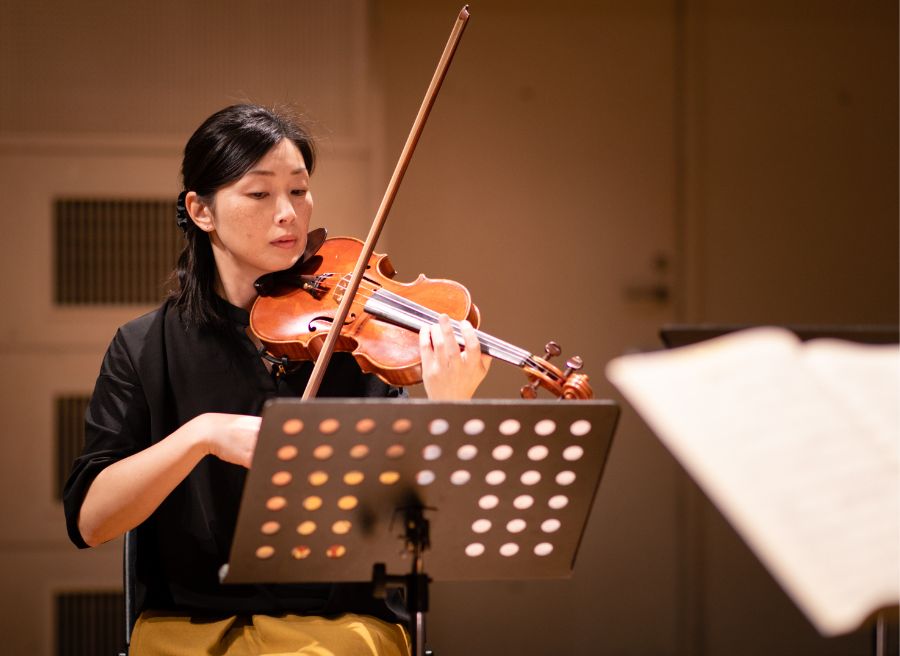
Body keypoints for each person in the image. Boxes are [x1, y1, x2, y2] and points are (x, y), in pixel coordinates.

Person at [63, 103, 490, 656]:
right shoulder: (145, 347)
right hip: (189, 630)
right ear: (202, 210)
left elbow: (417, 525)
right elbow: (92, 522)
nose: (289, 213)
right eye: (260, 194)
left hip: (339, 629)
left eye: (299, 190)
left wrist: (447, 408)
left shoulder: (352, 339)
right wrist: (203, 435)